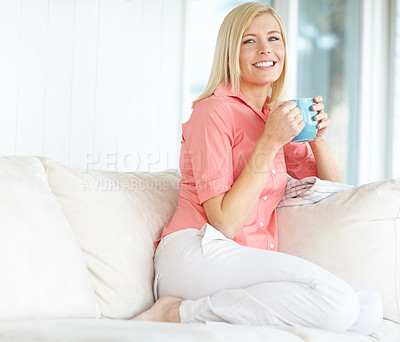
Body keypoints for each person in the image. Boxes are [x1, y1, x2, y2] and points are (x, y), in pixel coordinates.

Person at [132, 2, 383, 335]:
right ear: (230, 53)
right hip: (196, 250)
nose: (265, 49)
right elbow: (224, 220)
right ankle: (177, 312)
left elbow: (334, 195)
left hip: (241, 259)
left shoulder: (272, 117)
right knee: (338, 303)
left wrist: (318, 141)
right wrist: (269, 142)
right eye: (249, 41)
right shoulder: (212, 113)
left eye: (274, 38)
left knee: (367, 306)